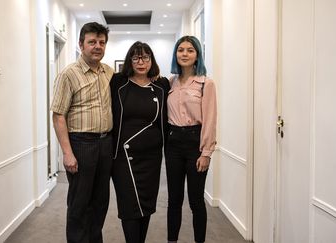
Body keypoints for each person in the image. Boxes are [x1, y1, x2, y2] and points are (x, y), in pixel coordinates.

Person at [50, 22, 113, 243]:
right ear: (81, 44)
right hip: (81, 144)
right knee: (79, 202)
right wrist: (67, 153)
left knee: (100, 201)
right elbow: (58, 115)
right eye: (92, 42)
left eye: (102, 42)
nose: (97, 46)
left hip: (106, 144)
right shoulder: (68, 74)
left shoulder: (108, 72)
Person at [110, 41, 170, 243]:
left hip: (152, 159)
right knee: (129, 206)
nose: (141, 62)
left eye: (145, 57)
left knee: (146, 205)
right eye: (135, 57)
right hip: (123, 158)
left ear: (151, 60)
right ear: (130, 61)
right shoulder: (118, 82)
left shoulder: (161, 85)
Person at [165, 36, 217, 243]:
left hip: (195, 143)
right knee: (173, 200)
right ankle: (172, 240)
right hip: (173, 144)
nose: (184, 54)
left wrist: (206, 152)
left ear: (197, 55)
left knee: (196, 200)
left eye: (190, 50)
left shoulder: (206, 83)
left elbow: (211, 120)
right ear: (175, 54)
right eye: (180, 50)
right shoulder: (171, 82)